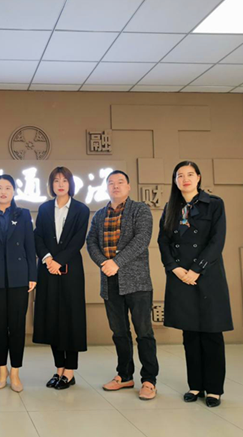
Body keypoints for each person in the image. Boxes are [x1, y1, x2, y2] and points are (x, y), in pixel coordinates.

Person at [158, 161, 232, 408]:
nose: (185, 179)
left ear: (199, 177)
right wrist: (175, 268)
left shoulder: (215, 204)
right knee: (189, 333)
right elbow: (163, 241)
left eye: (190, 174)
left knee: (211, 333)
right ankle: (195, 385)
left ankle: (214, 389)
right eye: (180, 175)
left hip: (207, 274)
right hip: (180, 275)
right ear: (175, 181)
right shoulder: (171, 207)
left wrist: (196, 269)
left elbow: (217, 241)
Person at [86, 170, 159, 401]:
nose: (115, 186)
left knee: (144, 332)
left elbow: (142, 239)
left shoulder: (140, 210)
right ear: (106, 188)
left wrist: (116, 262)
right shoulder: (99, 215)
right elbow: (91, 242)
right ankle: (125, 375)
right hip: (110, 281)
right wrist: (104, 263)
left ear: (128, 186)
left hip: (137, 281)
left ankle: (149, 380)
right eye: (111, 183)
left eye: (120, 182)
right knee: (119, 332)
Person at [0, 174, 37, 393]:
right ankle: (2, 370)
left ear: (13, 192)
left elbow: (30, 246)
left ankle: (15, 373)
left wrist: (33, 275)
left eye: (8, 188)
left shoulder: (23, 214)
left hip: (19, 277)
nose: (3, 192)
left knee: (18, 327)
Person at [33, 167, 89, 390]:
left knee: (71, 319)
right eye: (56, 181)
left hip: (70, 271)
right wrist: (48, 259)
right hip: (48, 271)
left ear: (70, 184)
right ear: (51, 185)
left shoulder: (81, 209)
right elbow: (38, 236)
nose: (60, 184)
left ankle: (70, 371)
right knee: (52, 319)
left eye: (64, 180)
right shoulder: (44, 208)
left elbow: (77, 241)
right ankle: (59, 369)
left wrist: (59, 261)